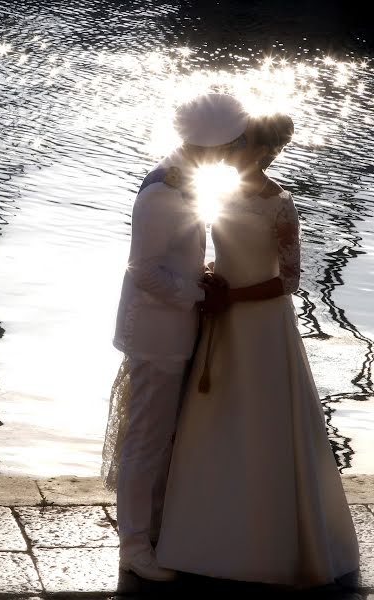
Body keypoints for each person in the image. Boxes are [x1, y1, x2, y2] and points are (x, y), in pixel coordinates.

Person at [155, 113, 360, 587]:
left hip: (263, 327)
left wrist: (232, 297)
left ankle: (269, 543)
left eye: (238, 143)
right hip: (222, 321)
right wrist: (209, 275)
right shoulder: (218, 193)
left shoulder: (280, 204)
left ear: (260, 151)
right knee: (217, 419)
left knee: (264, 423)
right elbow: (223, 254)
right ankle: (204, 534)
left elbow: (289, 279)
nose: (228, 149)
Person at [101, 93, 249, 581]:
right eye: (228, 148)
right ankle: (134, 545)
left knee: (163, 436)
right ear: (211, 148)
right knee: (145, 439)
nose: (230, 157)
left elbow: (172, 257)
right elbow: (142, 271)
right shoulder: (161, 193)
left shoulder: (183, 183)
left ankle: (158, 530)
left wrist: (200, 275)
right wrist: (196, 294)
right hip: (156, 333)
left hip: (176, 327)